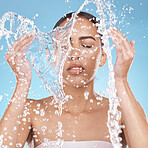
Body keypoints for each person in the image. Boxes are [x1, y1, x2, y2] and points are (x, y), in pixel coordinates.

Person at [0, 11, 148, 148]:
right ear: (52, 55)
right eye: (64, 46)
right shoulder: (31, 110)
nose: (74, 54)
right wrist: (23, 81)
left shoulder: (120, 111)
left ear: (102, 57)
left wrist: (121, 80)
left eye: (86, 45)